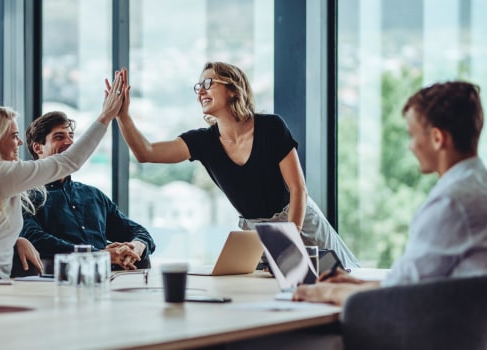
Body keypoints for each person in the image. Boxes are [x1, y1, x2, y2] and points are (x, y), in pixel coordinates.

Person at [111, 63, 359, 269]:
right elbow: (146, 152)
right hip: (255, 233)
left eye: (209, 83)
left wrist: (288, 238)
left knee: (342, 277)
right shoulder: (203, 141)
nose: (200, 91)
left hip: (299, 219)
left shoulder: (271, 127)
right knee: (270, 294)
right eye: (198, 86)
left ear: (233, 89)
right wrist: (123, 116)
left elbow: (298, 189)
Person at [293, 81, 487, 306]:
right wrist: (353, 284)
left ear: (437, 138)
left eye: (412, 135)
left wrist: (323, 293)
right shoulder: (477, 187)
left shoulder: (451, 202)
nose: (410, 146)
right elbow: (412, 282)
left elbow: (400, 296)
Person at [0, 73, 124, 280]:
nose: (19, 143)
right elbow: (70, 161)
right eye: (14, 136)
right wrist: (106, 116)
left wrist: (16, 240)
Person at [20, 111, 156, 271]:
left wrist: (136, 246)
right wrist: (98, 255)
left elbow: (137, 231)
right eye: (59, 137)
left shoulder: (93, 195)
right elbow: (34, 238)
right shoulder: (25, 197)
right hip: (60, 283)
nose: (70, 142)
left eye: (71, 136)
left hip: (110, 281)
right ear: (38, 147)